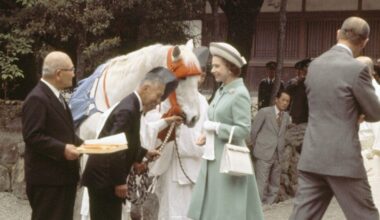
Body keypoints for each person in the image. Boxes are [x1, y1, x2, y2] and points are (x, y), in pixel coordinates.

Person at [290, 16, 380, 220]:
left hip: (313, 155)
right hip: (343, 158)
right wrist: (356, 112)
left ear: (337, 33)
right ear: (365, 42)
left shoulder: (314, 66)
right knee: (364, 216)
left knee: (303, 217)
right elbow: (375, 113)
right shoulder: (357, 69)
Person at [81, 67, 177, 220]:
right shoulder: (128, 109)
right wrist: (119, 182)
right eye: (158, 96)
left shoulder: (133, 106)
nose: (158, 101)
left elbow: (127, 141)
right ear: (146, 88)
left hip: (105, 176)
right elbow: (114, 146)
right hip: (104, 179)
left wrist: (143, 153)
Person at [187, 42, 264, 220]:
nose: (212, 70)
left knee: (227, 211)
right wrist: (207, 135)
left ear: (230, 68)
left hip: (229, 161)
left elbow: (244, 130)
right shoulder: (222, 90)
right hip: (214, 158)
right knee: (214, 209)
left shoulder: (240, 93)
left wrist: (216, 128)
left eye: (216, 66)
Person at [139, 47, 209, 220]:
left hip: (195, 167)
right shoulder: (167, 98)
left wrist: (199, 143)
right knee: (171, 212)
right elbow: (151, 125)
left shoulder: (203, 102)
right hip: (173, 168)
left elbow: (205, 134)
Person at [22, 51, 83, 220]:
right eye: (71, 69)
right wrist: (62, 149)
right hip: (48, 182)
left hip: (62, 179)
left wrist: (87, 145)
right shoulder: (37, 98)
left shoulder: (56, 96)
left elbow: (63, 131)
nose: (74, 73)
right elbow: (32, 136)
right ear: (58, 74)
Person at [251, 90, 291, 205]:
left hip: (278, 154)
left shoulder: (286, 116)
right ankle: (259, 208)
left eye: (287, 101)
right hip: (263, 153)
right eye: (283, 100)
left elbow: (282, 134)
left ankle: (270, 206)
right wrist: (257, 147)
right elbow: (254, 131)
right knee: (261, 183)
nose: (285, 103)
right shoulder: (264, 112)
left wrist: (281, 151)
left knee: (275, 184)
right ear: (276, 99)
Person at [286, 58, 312, 125]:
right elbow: (288, 94)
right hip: (299, 113)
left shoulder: (312, 81)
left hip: (310, 113)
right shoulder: (297, 82)